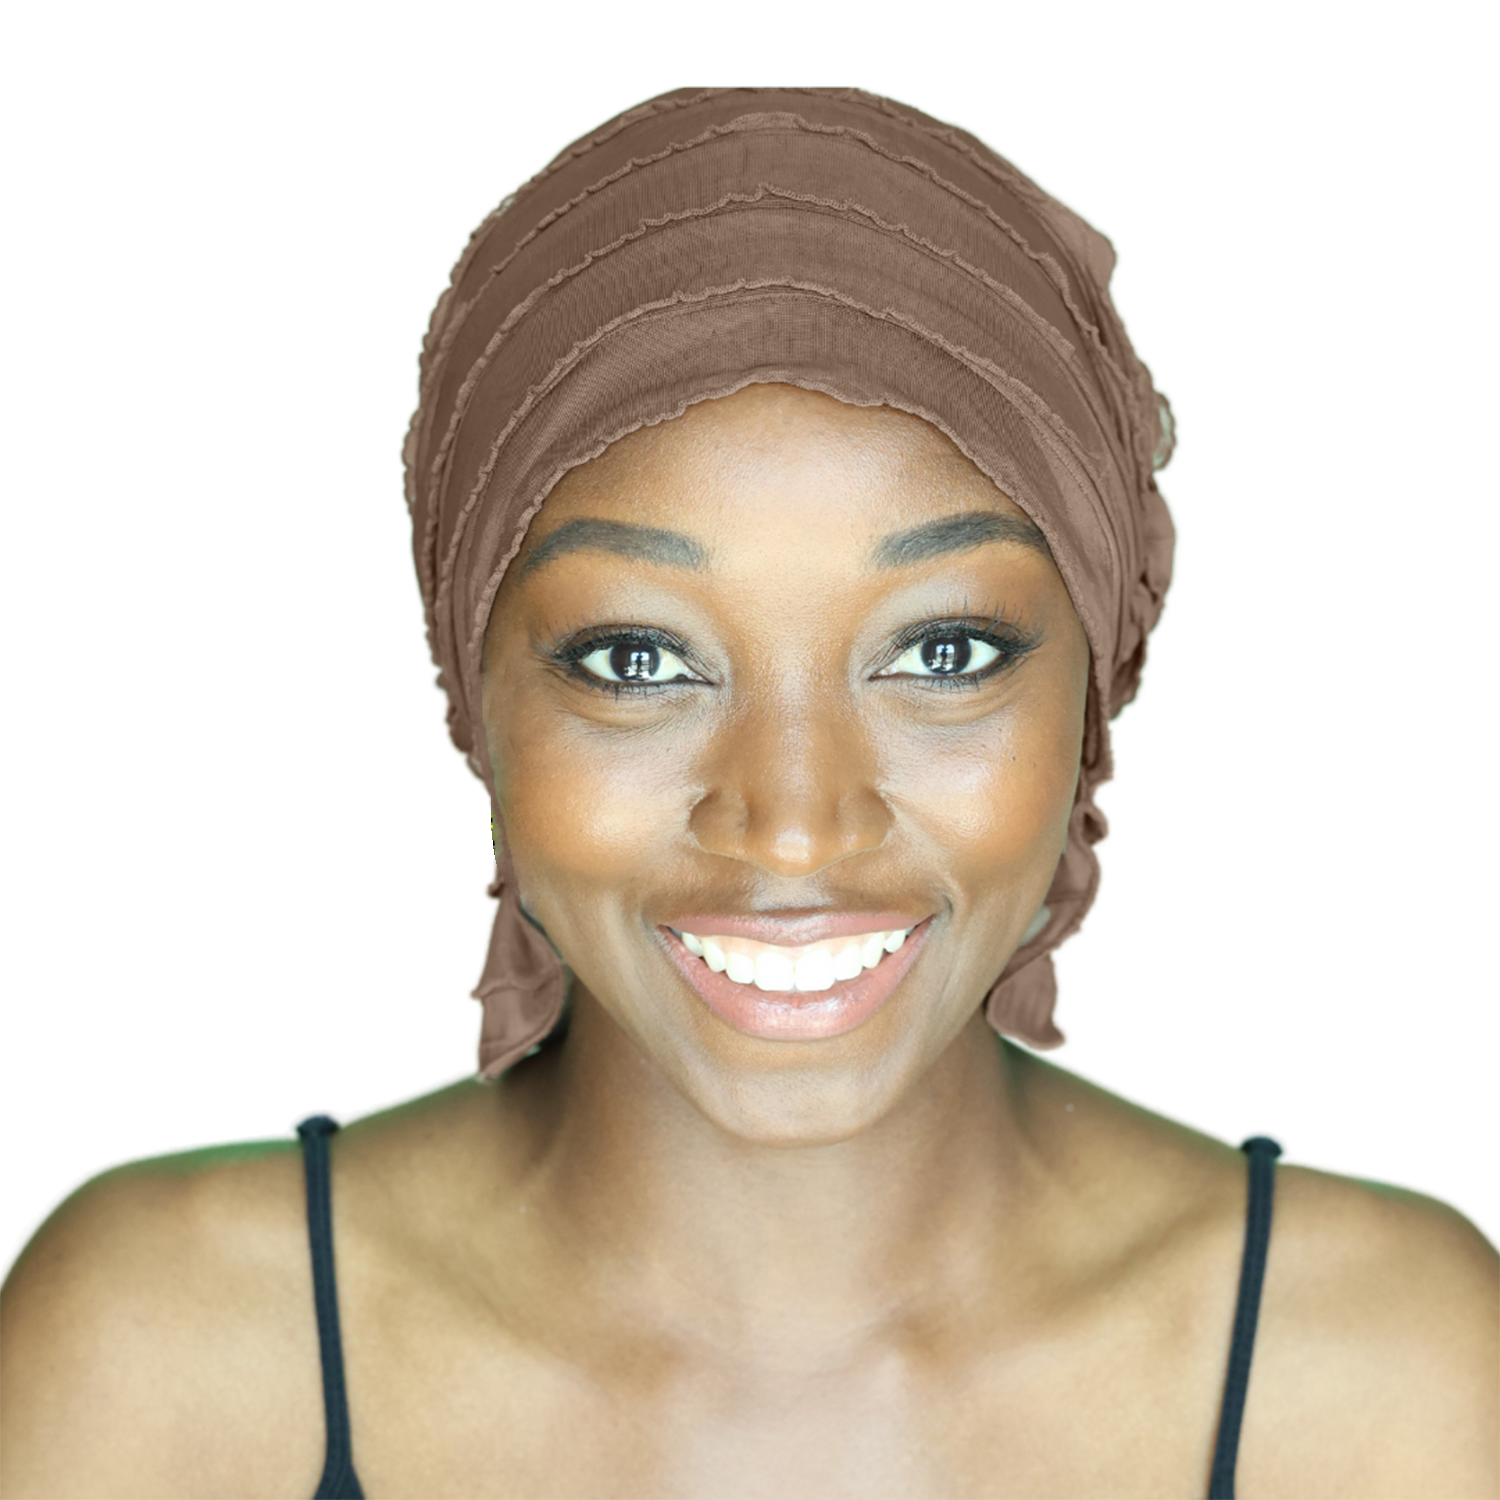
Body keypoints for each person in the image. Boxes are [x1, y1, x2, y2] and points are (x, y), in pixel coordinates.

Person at [2, 88, 1495, 1500]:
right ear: (475, 689)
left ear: (1096, 689)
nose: (792, 823)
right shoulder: (168, 1364)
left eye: (944, 652)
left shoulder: (1379, 1383)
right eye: (638, 659)